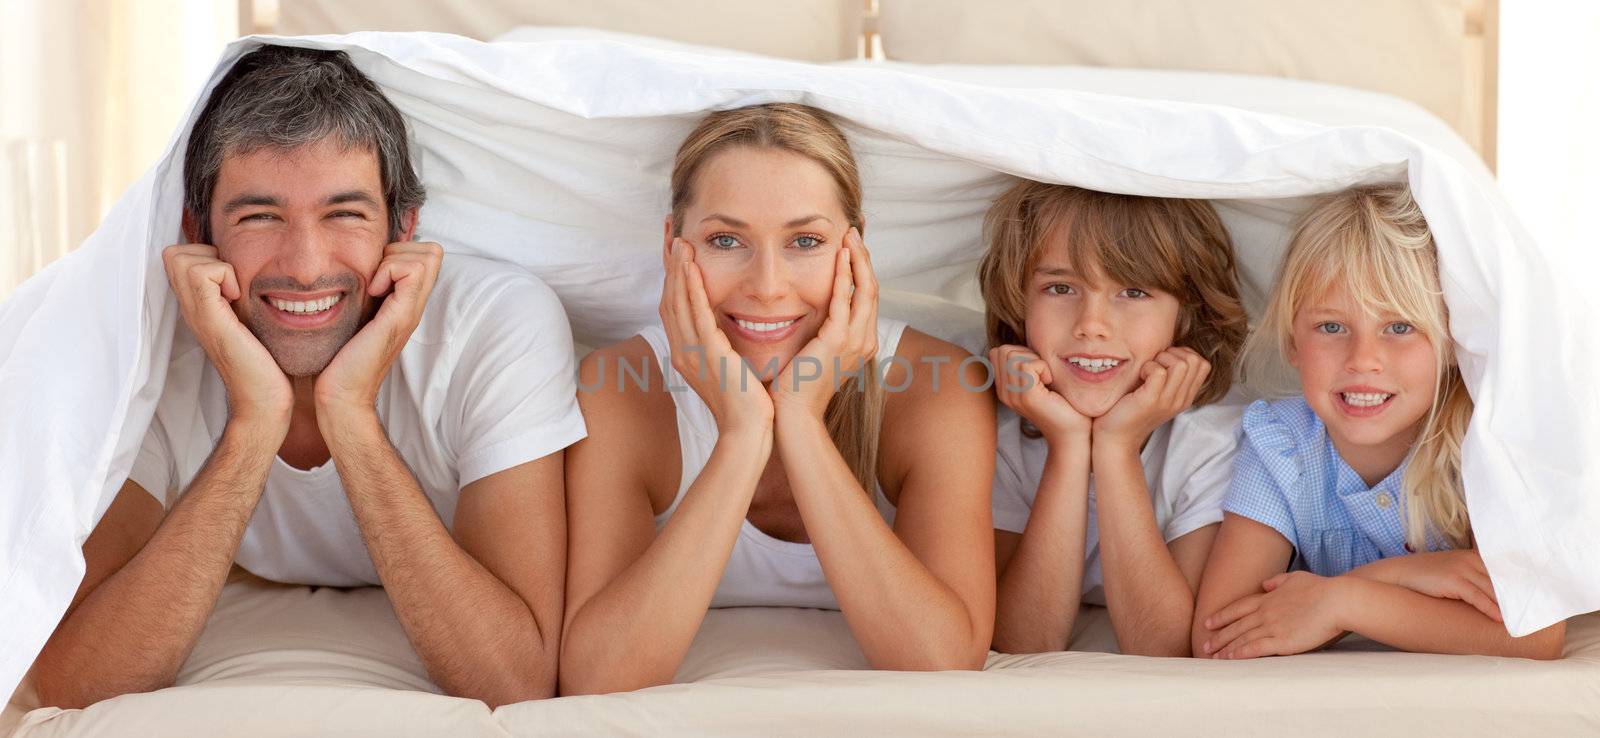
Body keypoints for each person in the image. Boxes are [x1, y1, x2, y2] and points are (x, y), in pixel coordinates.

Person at [31, 45, 584, 708]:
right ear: (196, 231)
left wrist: (349, 416)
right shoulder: (157, 347)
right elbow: (77, 680)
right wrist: (254, 426)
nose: (303, 265)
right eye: (260, 216)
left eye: (345, 213)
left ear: (403, 229)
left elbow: (513, 678)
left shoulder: (494, 322)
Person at [560, 103, 996, 695]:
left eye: (805, 241)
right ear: (673, 246)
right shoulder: (619, 388)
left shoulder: (935, 387)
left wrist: (800, 420)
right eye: (725, 239)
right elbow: (599, 676)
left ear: (855, 249)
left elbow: (943, 660)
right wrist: (742, 435)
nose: (767, 287)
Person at [1191, 184, 1565, 659]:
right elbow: (1215, 638)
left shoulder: (1479, 443)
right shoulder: (1279, 445)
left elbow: (1536, 634)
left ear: (1453, 342)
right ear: (1292, 343)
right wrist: (1399, 575)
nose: (1363, 360)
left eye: (1399, 327)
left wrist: (1343, 601)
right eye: (1331, 327)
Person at [981, 182, 1249, 655]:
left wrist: (1115, 448)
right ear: (1020, 303)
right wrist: (1066, 446)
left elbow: (1166, 648)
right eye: (1060, 288)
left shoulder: (1215, 441)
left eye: (1133, 291)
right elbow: (1023, 641)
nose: (1092, 324)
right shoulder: (995, 429)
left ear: (1186, 315)